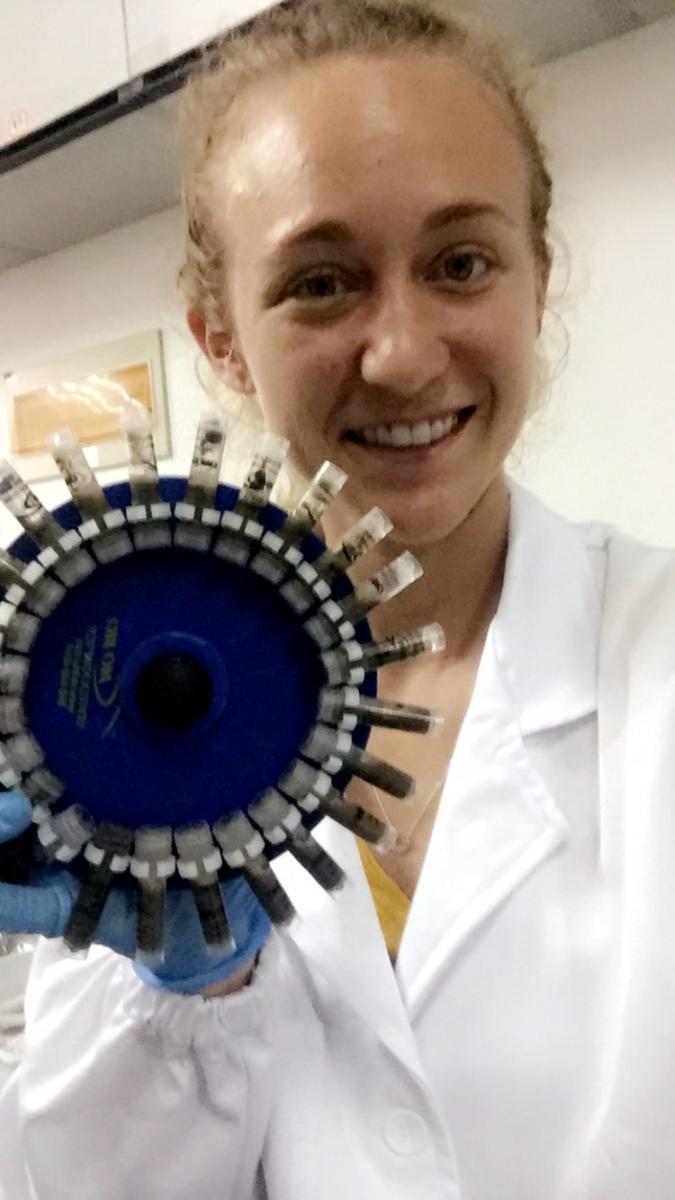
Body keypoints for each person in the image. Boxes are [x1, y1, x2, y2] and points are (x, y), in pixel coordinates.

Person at [1, 1, 675, 1196]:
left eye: (462, 263)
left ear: (538, 279)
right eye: (322, 282)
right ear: (219, 337)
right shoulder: (105, 753)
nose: (406, 354)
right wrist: (189, 987)